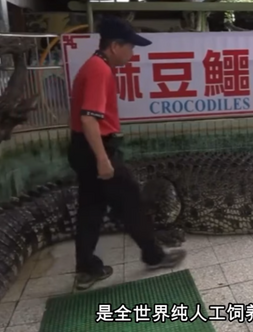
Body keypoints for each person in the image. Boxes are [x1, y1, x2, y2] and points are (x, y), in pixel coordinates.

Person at [67, 16, 186, 290]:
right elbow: (88, 119)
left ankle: (86, 267)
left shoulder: (93, 66)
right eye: (131, 47)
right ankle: (154, 256)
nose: (133, 53)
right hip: (96, 147)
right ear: (115, 46)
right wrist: (102, 159)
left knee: (91, 210)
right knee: (132, 201)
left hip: (81, 146)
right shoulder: (99, 70)